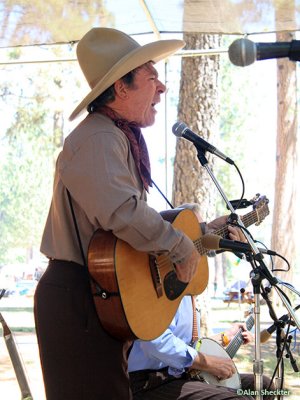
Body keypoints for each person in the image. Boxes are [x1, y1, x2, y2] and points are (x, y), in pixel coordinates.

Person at [34, 27, 246, 400]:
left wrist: (205, 233)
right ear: (120, 87)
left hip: (100, 296)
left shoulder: (113, 136)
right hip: (79, 296)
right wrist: (180, 247)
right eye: (152, 77)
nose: (162, 88)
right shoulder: (99, 137)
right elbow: (122, 212)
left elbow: (124, 226)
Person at [128, 295, 275, 400]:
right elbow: (155, 342)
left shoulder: (189, 296)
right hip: (151, 382)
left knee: (263, 386)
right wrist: (209, 363)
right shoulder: (163, 294)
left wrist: (226, 336)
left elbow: (188, 344)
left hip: (182, 373)